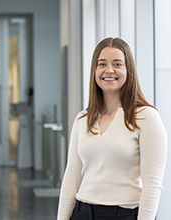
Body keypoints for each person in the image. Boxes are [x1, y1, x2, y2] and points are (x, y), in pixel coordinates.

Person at [57, 37, 167, 220]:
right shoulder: (83, 119)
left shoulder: (146, 117)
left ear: (128, 70)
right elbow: (71, 177)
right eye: (102, 64)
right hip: (82, 212)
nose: (109, 70)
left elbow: (153, 185)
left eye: (117, 64)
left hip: (125, 214)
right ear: (94, 70)